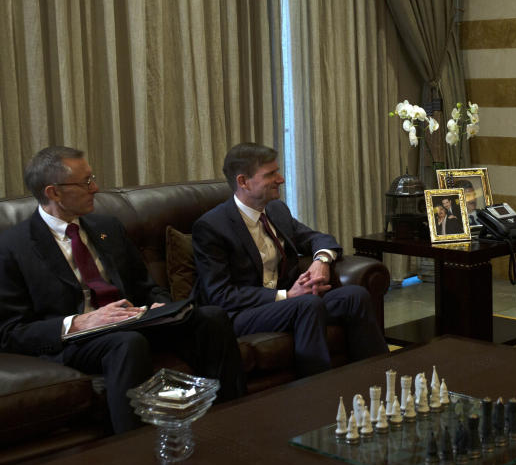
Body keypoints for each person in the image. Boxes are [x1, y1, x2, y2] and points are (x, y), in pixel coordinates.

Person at [0, 147, 245, 434]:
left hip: (134, 320)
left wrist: (160, 306)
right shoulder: (12, 247)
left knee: (211, 318)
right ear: (53, 193)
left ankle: (234, 421)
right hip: (79, 340)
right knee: (126, 343)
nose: (96, 188)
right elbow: (10, 331)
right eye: (85, 182)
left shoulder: (107, 228)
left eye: (92, 178)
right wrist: (79, 322)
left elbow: (146, 286)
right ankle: (132, 450)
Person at [191, 143, 387, 376]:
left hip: (290, 304)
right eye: (270, 174)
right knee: (307, 304)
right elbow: (220, 295)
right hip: (242, 314)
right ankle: (315, 393)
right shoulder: (212, 227)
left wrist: (321, 261)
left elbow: (319, 238)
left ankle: (379, 379)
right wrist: (287, 295)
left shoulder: (276, 210)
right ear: (243, 182)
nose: (281, 179)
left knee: (354, 296)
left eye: (278, 171)